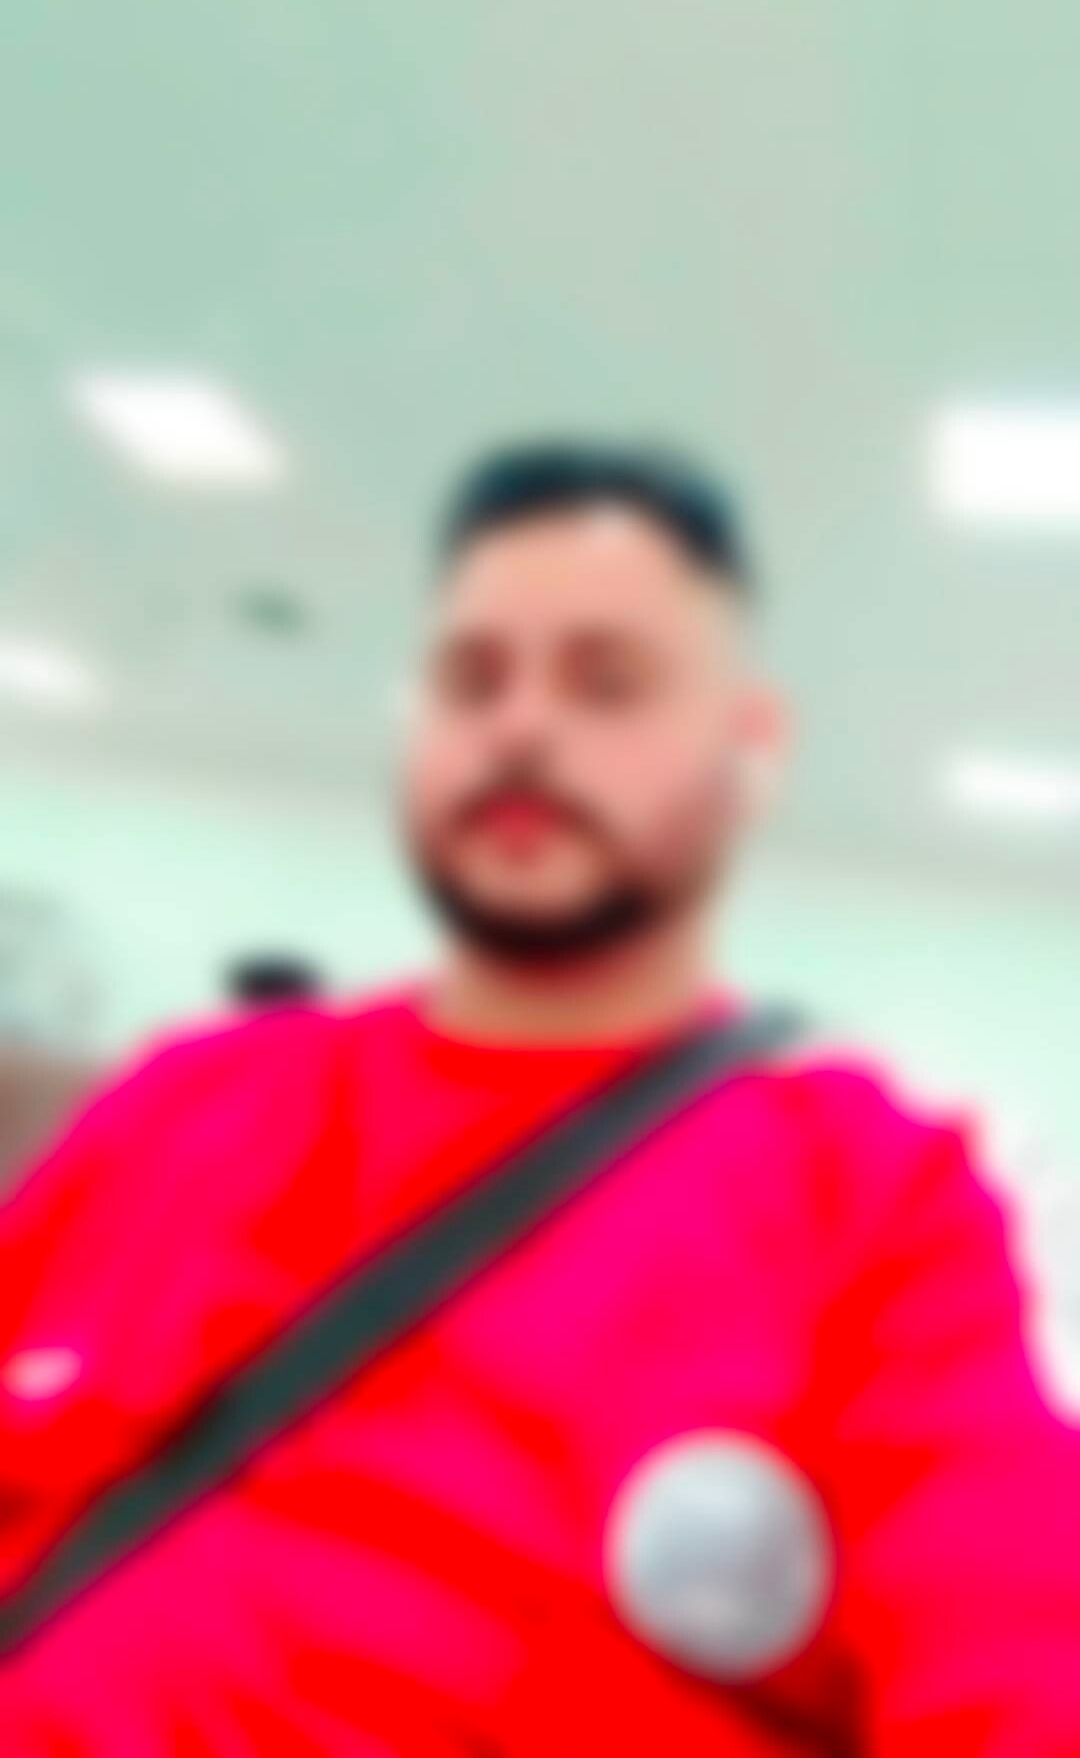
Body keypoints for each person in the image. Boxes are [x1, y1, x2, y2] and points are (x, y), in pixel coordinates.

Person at [0, 440, 1077, 1754]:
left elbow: (1019, 1666)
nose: (519, 727)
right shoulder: (188, 1101)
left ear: (751, 746)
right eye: (472, 679)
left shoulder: (875, 1202)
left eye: (606, 683)